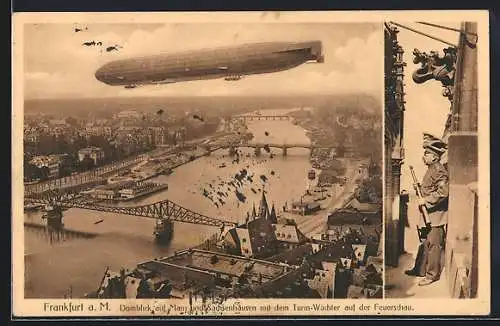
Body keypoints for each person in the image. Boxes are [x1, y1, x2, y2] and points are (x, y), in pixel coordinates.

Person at [405, 133, 449, 286]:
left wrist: (426, 200)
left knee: (434, 245)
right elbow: (430, 188)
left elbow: (443, 192)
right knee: (424, 242)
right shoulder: (431, 169)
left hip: (435, 216)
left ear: (435, 156)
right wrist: (419, 190)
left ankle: (432, 275)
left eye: (427, 153)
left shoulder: (439, 170)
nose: (424, 156)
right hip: (428, 214)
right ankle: (420, 269)